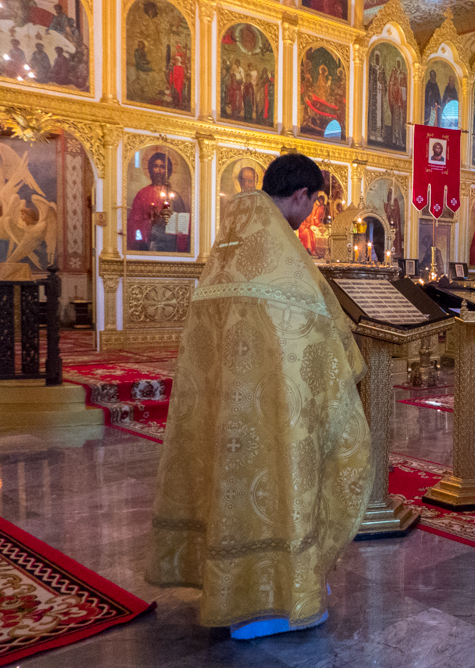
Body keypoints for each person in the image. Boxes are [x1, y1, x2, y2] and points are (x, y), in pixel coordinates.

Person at [146, 153, 371, 639]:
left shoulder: (227, 245)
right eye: (311, 205)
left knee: (228, 485)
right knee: (278, 483)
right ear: (300, 196)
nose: (309, 215)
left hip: (222, 406)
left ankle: (229, 589)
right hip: (275, 411)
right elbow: (323, 333)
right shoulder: (284, 258)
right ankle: (274, 599)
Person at [127, 152, 189, 252]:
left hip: (170, 243)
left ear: (167, 170)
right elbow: (134, 222)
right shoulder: (142, 194)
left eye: (162, 167)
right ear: (151, 169)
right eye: (156, 166)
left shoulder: (175, 196)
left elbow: (182, 222)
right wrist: (150, 222)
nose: (159, 171)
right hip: (151, 241)